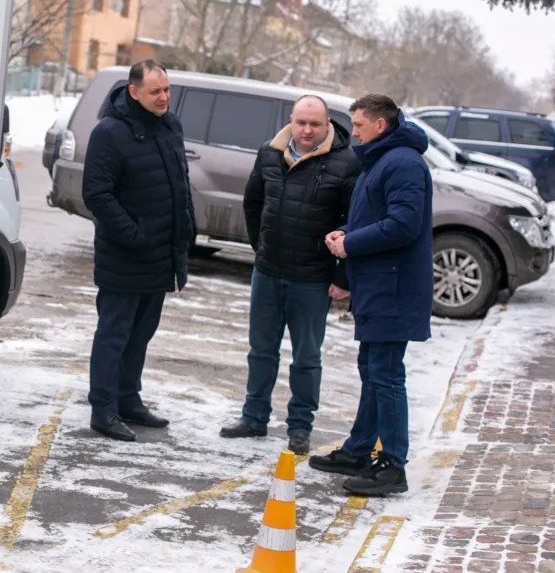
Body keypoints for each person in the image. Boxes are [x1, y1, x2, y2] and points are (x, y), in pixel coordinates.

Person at [219, 95, 360, 456]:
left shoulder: (346, 163)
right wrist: (261, 246)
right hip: (268, 271)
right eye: (301, 123)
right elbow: (253, 203)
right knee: (261, 351)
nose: (308, 130)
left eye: (315, 124)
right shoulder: (269, 152)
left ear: (328, 124)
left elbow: (352, 225)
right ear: (291, 122)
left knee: (307, 358)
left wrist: (342, 276)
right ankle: (253, 417)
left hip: (312, 279)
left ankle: (300, 427)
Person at [310, 94, 433, 496]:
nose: (353, 132)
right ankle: (360, 449)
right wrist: (348, 232)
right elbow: (378, 216)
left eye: (359, 125)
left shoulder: (402, 163)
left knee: (386, 374)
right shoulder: (381, 159)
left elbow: (403, 224)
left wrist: (351, 244)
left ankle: (392, 465)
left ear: (381, 125)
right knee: (373, 369)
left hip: (393, 287)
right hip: (379, 284)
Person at [81, 59, 196, 442]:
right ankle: (103, 409)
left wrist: (183, 232)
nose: (164, 97)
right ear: (133, 92)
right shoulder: (109, 133)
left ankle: (129, 399)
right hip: (126, 255)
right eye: (155, 91)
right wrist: (134, 235)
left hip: (161, 254)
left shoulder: (170, 126)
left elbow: (179, 181)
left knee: (142, 333)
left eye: (166, 90)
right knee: (114, 334)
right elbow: (96, 194)